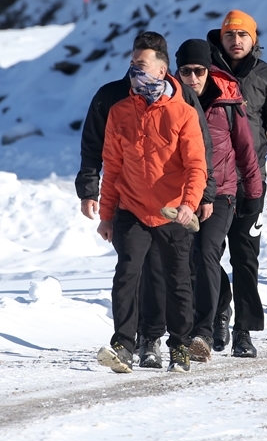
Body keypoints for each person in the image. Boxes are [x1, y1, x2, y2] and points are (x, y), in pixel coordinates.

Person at [75, 32, 216, 369]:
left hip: (172, 210)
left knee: (178, 280)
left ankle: (179, 346)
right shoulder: (120, 110)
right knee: (127, 273)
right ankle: (124, 346)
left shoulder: (182, 112)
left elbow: (198, 164)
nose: (135, 71)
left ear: (162, 70)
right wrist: (107, 215)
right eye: (132, 64)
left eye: (141, 65)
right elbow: (113, 165)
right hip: (132, 209)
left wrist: (189, 203)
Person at [207, 10, 267, 357]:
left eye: (243, 35)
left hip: (253, 185)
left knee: (245, 259)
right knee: (207, 256)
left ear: (254, 39)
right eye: (230, 35)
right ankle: (218, 311)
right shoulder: (205, 73)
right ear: (221, 38)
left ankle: (244, 331)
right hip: (213, 184)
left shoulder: (266, 76)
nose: (237, 41)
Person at [174, 39, 263, 363]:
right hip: (182, 197)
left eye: (199, 71)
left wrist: (253, 195)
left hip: (223, 193)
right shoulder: (170, 102)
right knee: (189, 262)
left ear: (209, 71)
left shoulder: (226, 103)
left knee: (206, 252)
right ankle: (216, 309)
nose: (193, 78)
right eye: (186, 71)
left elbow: (245, 150)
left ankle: (204, 333)